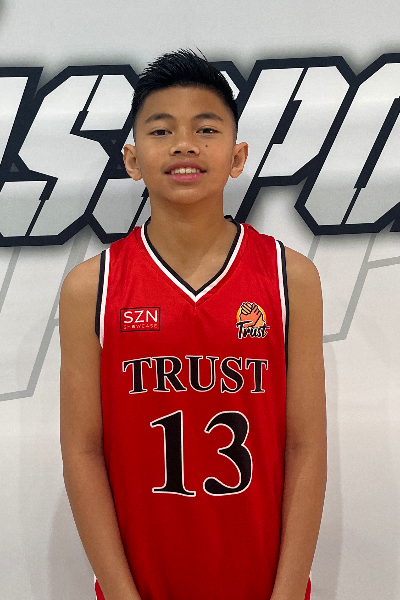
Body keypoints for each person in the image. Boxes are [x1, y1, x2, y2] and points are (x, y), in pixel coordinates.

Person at [59, 49, 327, 600]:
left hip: (262, 583)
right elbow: (83, 452)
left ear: (237, 156)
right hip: (141, 586)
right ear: (132, 159)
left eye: (206, 129)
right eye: (162, 130)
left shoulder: (290, 277)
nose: (184, 144)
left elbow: (305, 446)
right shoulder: (92, 287)